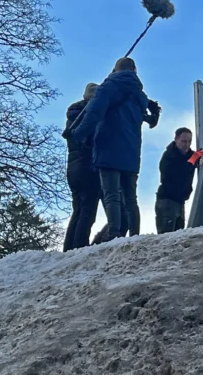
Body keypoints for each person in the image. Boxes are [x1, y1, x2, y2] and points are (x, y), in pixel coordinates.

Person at [68, 57, 161, 243]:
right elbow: (151, 118)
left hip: (108, 148)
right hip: (132, 151)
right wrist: (154, 115)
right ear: (134, 70)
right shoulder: (139, 95)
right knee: (131, 199)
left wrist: (76, 134)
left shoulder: (107, 88)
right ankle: (134, 235)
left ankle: (114, 234)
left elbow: (93, 113)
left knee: (111, 196)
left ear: (115, 70)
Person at [62, 83, 101, 251]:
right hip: (88, 167)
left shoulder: (73, 115)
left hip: (73, 168)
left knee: (78, 209)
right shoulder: (90, 115)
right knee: (88, 211)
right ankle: (79, 246)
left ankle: (68, 248)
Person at [155, 127, 196, 234]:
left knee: (179, 236)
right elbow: (176, 174)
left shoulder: (189, 156)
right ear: (176, 140)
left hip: (180, 201)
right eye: (184, 141)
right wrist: (193, 160)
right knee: (166, 236)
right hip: (167, 201)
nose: (187, 144)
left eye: (189, 141)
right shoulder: (169, 156)